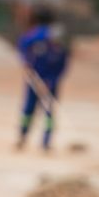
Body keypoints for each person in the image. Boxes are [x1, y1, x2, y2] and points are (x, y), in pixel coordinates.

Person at [15, 8, 70, 152]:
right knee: (49, 111)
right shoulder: (57, 36)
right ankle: (46, 142)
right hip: (49, 80)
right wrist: (53, 79)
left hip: (33, 78)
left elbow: (23, 56)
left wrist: (28, 69)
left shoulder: (29, 36)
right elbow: (64, 60)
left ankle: (22, 136)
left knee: (28, 109)